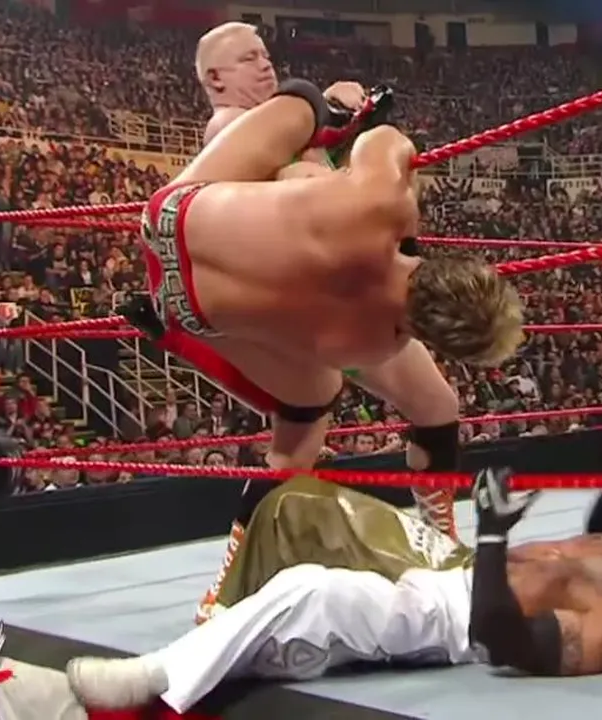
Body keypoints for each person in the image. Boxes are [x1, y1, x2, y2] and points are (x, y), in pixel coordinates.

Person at [0, 455, 602, 717]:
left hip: (454, 614)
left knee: (313, 592)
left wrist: (494, 533)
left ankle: (141, 685)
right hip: (458, 566)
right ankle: (223, 645)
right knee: (300, 500)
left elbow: (505, 642)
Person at [187, 23, 473, 624]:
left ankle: (437, 536)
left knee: (435, 406)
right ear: (216, 78)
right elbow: (303, 189)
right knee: (298, 443)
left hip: (344, 296)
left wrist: (342, 127)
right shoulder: (227, 128)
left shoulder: (288, 127)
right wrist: (340, 126)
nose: (264, 66)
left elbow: (326, 190)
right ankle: (228, 586)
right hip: (298, 308)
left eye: (265, 55)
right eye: (248, 59)